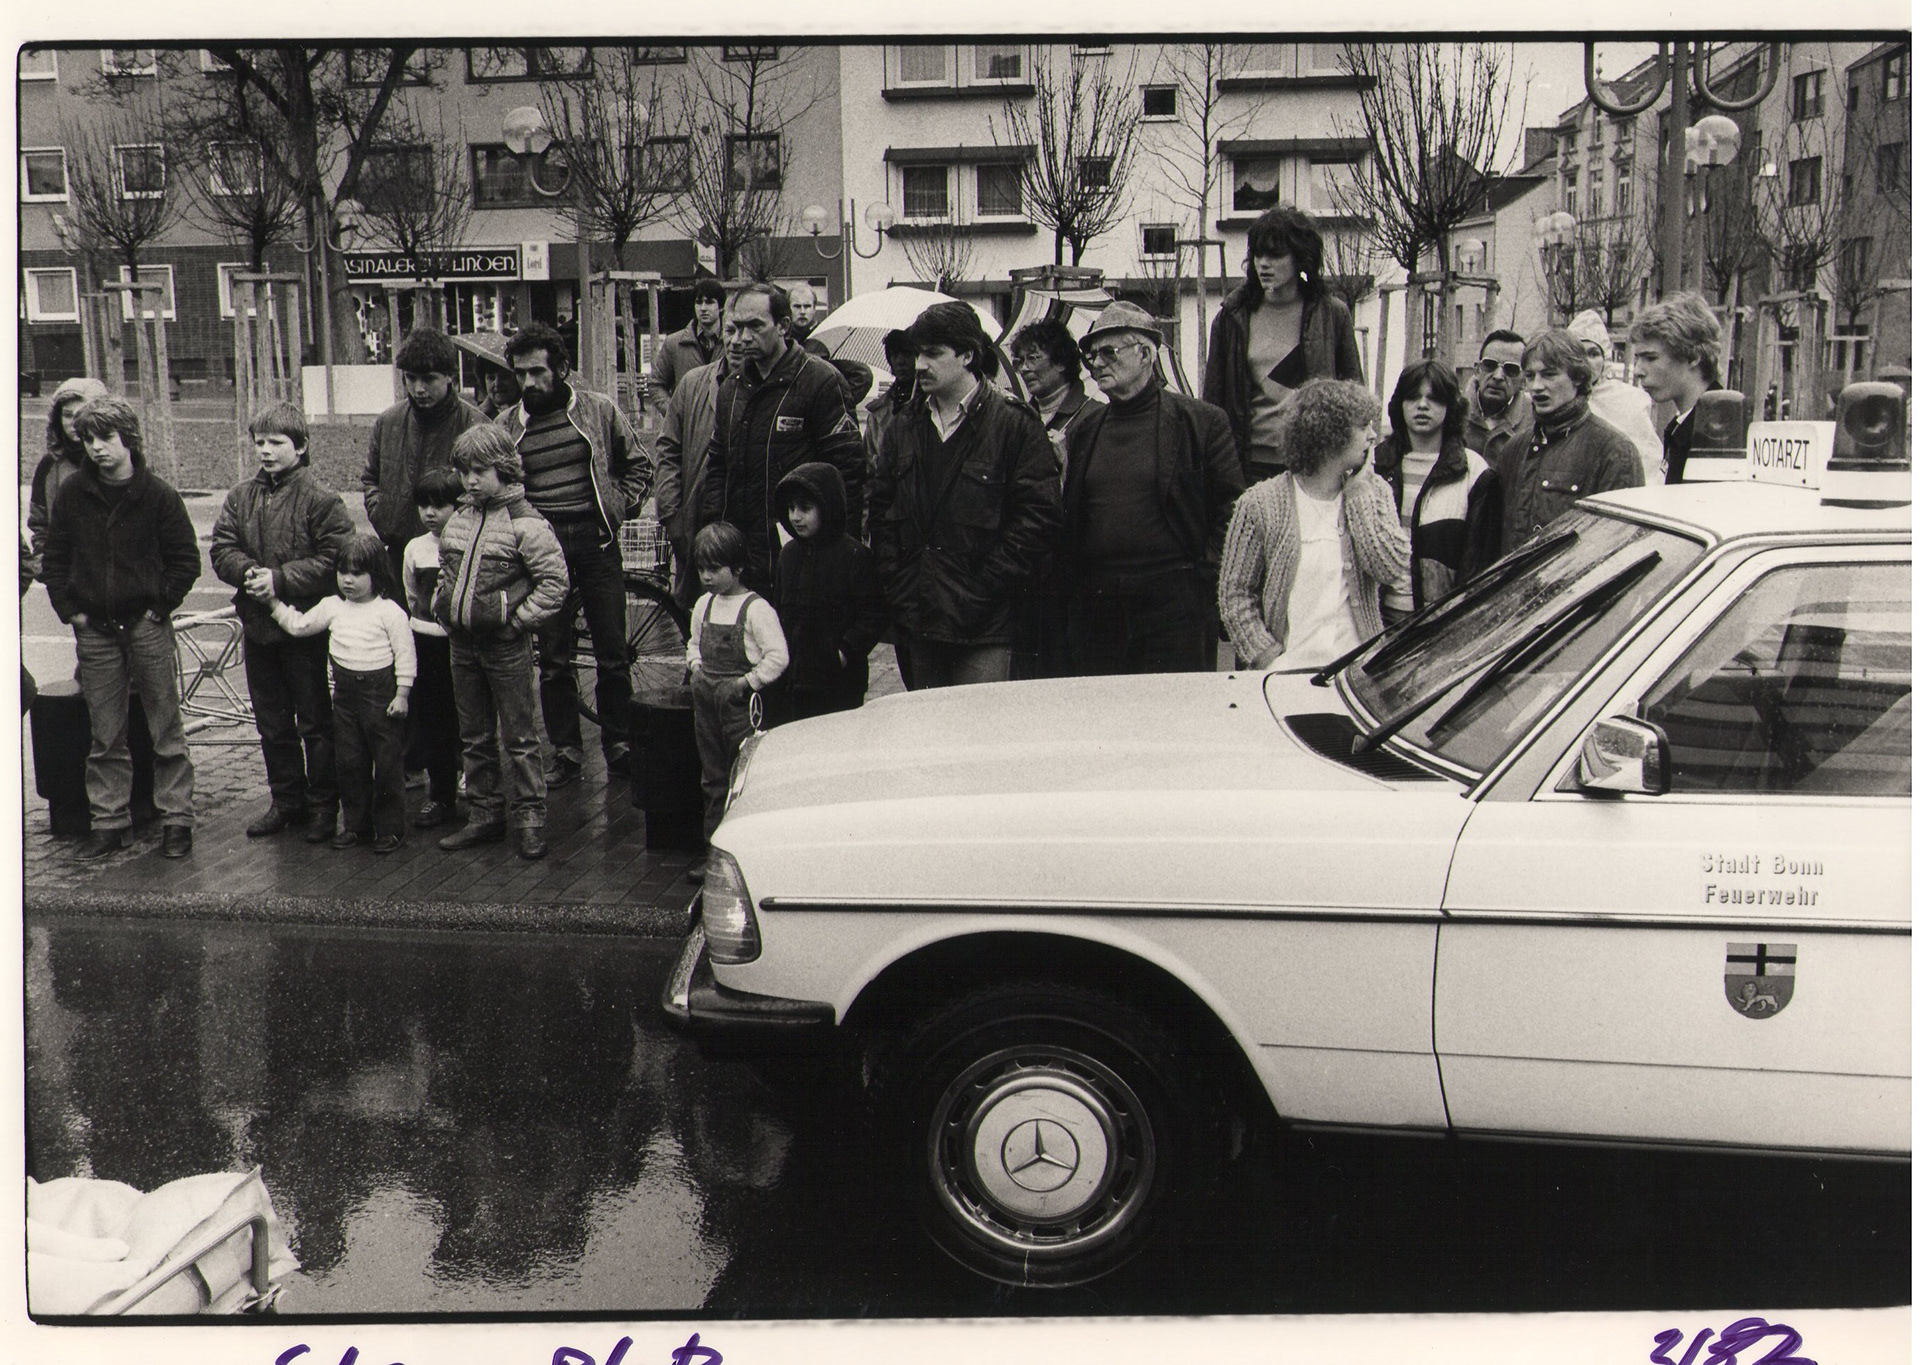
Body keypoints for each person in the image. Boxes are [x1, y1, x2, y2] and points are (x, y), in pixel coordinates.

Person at [868, 301, 1062, 689]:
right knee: (930, 739)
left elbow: (1038, 520)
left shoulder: (1014, 425)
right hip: (920, 620)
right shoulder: (902, 428)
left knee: (980, 737)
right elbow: (882, 514)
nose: (920, 364)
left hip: (987, 627)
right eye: (917, 353)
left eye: (933, 353)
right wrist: (901, 587)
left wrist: (982, 587)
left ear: (968, 355)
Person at [41, 395, 202, 860]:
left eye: (106, 438)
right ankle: (110, 822)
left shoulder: (159, 496)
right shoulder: (73, 494)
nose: (96, 448)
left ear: (128, 439)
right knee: (104, 733)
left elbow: (184, 561)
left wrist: (159, 607)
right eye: (88, 439)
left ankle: (177, 820)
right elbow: (55, 558)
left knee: (165, 727)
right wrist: (72, 611)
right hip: (95, 631)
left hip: (146, 626)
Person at [496, 321, 653, 788]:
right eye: (520, 373)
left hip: (596, 542)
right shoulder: (506, 427)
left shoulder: (599, 411)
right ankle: (566, 750)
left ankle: (619, 742)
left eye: (538, 372)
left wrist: (618, 509)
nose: (528, 383)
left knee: (612, 652)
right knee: (555, 657)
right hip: (543, 550)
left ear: (562, 369)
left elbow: (639, 464)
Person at [1057, 302, 1244, 676]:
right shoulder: (1084, 431)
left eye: (1108, 352)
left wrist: (1202, 582)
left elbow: (1232, 509)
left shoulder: (1200, 422)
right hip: (1101, 607)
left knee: (1171, 722)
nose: (1096, 364)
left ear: (1145, 353)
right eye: (1090, 354)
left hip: (1174, 604)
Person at [209, 401, 357, 842]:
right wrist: (249, 575)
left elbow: (337, 559)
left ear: (302, 446)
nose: (266, 451)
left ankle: (323, 805)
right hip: (258, 626)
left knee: (314, 720)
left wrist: (280, 579)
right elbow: (221, 547)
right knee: (271, 722)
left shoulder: (322, 500)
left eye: (277, 442)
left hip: (305, 628)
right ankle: (286, 801)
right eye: (260, 442)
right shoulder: (240, 496)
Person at [432, 426, 572, 862]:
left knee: (520, 736)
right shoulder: (460, 517)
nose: (470, 480)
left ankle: (530, 817)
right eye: (463, 472)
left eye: (479, 471)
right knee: (474, 735)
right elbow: (447, 569)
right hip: (462, 645)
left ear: (505, 469)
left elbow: (554, 584)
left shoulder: (527, 523)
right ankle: (485, 812)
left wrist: (517, 624)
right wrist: (443, 604)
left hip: (504, 647)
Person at [1217, 379, 1409, 672]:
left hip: (1358, 678)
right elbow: (1235, 594)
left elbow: (1390, 568)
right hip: (1286, 678)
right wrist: (1267, 657)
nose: (1373, 436)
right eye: (1363, 427)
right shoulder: (1259, 503)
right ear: (1330, 433)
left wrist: (1359, 496)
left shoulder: (1374, 491)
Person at [700, 283, 867, 595]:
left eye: (755, 326)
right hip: (744, 556)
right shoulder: (730, 389)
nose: (743, 338)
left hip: (802, 554)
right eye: (736, 327)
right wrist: (716, 532)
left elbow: (848, 474)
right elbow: (719, 467)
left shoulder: (821, 381)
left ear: (783, 326)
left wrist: (839, 555)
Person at [269, 534, 416, 854]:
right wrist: (274, 604)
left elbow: (406, 656)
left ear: (376, 573)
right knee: (349, 761)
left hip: (380, 695)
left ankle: (391, 828)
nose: (347, 580)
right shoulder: (333, 606)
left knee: (387, 763)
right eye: (342, 572)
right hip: (346, 696)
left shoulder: (389, 612)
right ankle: (356, 825)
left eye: (357, 573)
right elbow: (300, 626)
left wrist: (402, 694)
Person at [1203, 204, 1364, 479]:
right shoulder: (1231, 317)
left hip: (1316, 464)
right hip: (1249, 466)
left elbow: (1354, 395)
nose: (1264, 263)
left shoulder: (1332, 314)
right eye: (1258, 254)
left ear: (1301, 258)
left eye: (1276, 255)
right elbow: (1213, 403)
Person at [686, 522, 788, 878]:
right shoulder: (704, 605)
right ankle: (714, 855)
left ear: (738, 567)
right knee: (712, 779)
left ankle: (745, 859)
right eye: (702, 569)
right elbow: (694, 643)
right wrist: (696, 667)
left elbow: (778, 656)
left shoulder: (757, 610)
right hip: (706, 706)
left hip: (740, 708)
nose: (707, 576)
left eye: (715, 568)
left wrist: (748, 681)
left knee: (742, 779)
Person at [1371, 361, 1503, 622]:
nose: (1422, 405)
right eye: (1413, 397)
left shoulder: (1473, 472)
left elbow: (1478, 564)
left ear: (1450, 405)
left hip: (1439, 624)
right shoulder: (1374, 465)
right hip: (1374, 622)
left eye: (1434, 398)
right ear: (1399, 404)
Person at [360, 328, 489, 594]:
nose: (419, 389)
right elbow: (371, 477)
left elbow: (491, 489)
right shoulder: (388, 422)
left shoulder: (476, 425)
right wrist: (383, 514)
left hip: (457, 554)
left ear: (450, 376)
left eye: (429, 379)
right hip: (398, 553)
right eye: (411, 378)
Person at [1497, 329, 1644, 552]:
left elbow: (1619, 549)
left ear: (1577, 377)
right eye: (1530, 376)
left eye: (1549, 374)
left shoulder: (1613, 451)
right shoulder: (1515, 449)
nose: (1536, 386)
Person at [773, 462, 886, 719]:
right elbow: (780, 610)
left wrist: (843, 653)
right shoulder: (788, 556)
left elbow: (873, 615)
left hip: (839, 684)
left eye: (805, 508)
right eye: (790, 508)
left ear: (828, 507)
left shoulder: (854, 555)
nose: (795, 517)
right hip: (794, 680)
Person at [401, 468, 466, 830]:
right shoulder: (415, 548)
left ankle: (468, 775)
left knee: (466, 714)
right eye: (424, 505)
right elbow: (412, 595)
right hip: (426, 641)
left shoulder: (467, 542)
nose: (430, 513)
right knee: (433, 719)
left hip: (459, 641)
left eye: (440, 505)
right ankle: (440, 795)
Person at [653, 352, 728, 609]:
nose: (739, 338)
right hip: (695, 519)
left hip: (740, 522)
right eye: (732, 329)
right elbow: (668, 450)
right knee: (697, 615)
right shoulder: (692, 383)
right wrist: (670, 513)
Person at [1629, 293, 1723, 484]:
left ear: (1692, 357)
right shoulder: (1684, 426)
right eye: (1637, 359)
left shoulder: (1715, 433)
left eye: (1651, 358)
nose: (1638, 370)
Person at [1566, 310, 1664, 484]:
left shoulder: (1630, 401)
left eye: (1593, 354)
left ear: (1605, 358)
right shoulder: (1557, 398)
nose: (1586, 362)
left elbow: (1647, 464)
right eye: (1578, 353)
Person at [26, 375, 108, 577]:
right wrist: (46, 566)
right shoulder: (49, 466)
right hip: (68, 582)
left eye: (81, 413)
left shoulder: (114, 460)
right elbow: (40, 523)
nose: (73, 422)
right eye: (67, 414)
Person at [648, 277, 726, 418]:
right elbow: (656, 384)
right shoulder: (674, 343)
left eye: (709, 302)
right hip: (687, 429)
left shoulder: (733, 343)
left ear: (721, 307)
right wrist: (674, 413)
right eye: (698, 302)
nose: (703, 308)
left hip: (724, 426)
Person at [788, 281, 874, 406]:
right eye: (797, 306)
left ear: (814, 309)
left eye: (807, 306)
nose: (802, 311)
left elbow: (863, 376)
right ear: (788, 309)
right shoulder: (782, 340)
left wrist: (835, 405)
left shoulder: (827, 338)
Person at [1464, 328, 1535, 464]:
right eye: (1489, 365)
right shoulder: (1452, 412)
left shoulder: (1535, 418)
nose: (1498, 377)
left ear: (1523, 381)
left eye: (1511, 370)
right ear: (1477, 370)